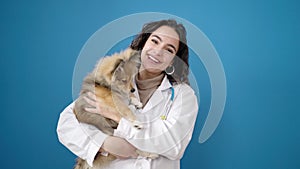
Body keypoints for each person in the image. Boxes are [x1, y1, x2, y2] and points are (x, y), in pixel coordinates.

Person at [57, 19, 199, 169]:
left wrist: (119, 118)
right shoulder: (115, 78)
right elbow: (67, 123)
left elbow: (174, 145)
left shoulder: (183, 95)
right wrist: (104, 143)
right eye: (155, 41)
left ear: (172, 62)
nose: (158, 51)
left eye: (169, 50)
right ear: (143, 44)